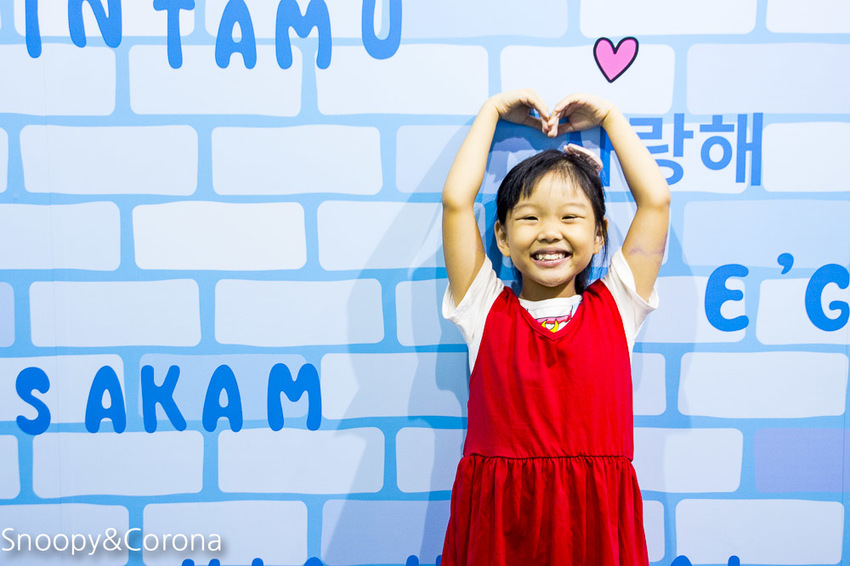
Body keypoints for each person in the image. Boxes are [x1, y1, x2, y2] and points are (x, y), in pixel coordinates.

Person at [440, 89, 670, 565]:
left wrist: (610, 116)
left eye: (570, 217)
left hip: (594, 525)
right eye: (529, 218)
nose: (550, 231)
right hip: (502, 528)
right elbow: (456, 203)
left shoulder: (617, 306)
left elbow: (656, 201)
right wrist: (490, 112)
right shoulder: (483, 308)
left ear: (599, 234)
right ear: (502, 236)